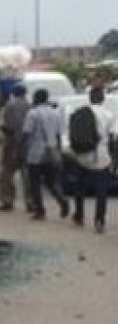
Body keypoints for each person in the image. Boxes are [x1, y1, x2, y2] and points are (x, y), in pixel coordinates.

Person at [72, 86, 117, 233]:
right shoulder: (108, 115)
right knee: (101, 190)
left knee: (79, 187)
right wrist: (114, 157)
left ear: (90, 98)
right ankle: (99, 220)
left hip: (82, 155)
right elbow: (112, 138)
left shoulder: (80, 112)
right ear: (102, 99)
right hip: (101, 156)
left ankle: (79, 215)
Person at [22, 88, 69, 220]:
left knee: (34, 183)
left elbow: (26, 132)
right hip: (51, 151)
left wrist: (21, 148)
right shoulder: (56, 113)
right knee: (51, 181)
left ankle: (40, 210)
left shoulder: (32, 114)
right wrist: (58, 150)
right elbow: (59, 134)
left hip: (35, 153)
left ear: (36, 98)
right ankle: (62, 200)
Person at [0, 84, 32, 211]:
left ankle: (7, 200)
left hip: (12, 142)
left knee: (6, 174)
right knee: (27, 175)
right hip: (27, 143)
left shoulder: (9, 106)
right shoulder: (30, 106)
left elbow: (6, 125)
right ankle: (30, 202)